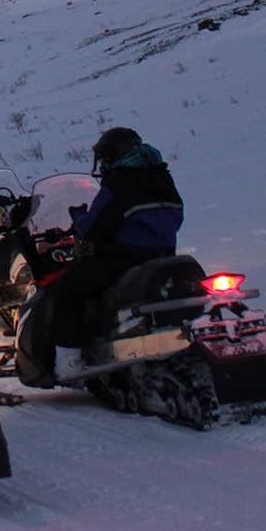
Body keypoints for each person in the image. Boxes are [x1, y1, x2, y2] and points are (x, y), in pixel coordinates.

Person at [48, 127, 184, 378]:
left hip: (124, 257)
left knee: (66, 290)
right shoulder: (161, 177)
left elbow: (93, 227)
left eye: (104, 158)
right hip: (164, 254)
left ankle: (69, 362)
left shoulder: (120, 181)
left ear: (111, 156)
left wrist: (78, 218)